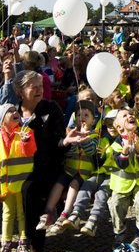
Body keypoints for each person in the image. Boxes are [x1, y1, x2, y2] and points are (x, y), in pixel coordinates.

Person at [15, 69, 69, 252]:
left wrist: (67, 141)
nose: (39, 90)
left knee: (30, 190)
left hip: (47, 166)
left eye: (40, 86)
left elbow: (59, 141)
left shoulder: (50, 108)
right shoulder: (13, 112)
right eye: (33, 87)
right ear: (20, 91)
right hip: (17, 167)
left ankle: (34, 245)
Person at [0, 103, 37, 252]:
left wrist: (25, 141)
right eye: (9, 111)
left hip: (22, 183)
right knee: (8, 214)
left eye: (15, 110)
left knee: (22, 213)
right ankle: (6, 245)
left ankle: (23, 243)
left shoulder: (27, 132)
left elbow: (30, 152)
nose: (15, 112)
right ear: (2, 120)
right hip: (6, 184)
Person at [41, 100, 99, 233]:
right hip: (69, 169)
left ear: (92, 120)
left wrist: (84, 140)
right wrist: (73, 141)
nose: (82, 118)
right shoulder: (72, 133)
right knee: (59, 182)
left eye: (86, 115)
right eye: (79, 115)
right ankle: (48, 212)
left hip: (84, 173)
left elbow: (92, 151)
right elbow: (69, 152)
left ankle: (65, 213)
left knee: (74, 184)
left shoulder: (95, 135)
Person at [108, 108, 139, 250]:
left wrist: (138, 148)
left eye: (131, 114)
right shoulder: (116, 144)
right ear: (119, 127)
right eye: (124, 115)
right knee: (114, 203)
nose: (130, 116)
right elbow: (122, 163)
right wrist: (125, 150)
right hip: (121, 186)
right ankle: (119, 233)